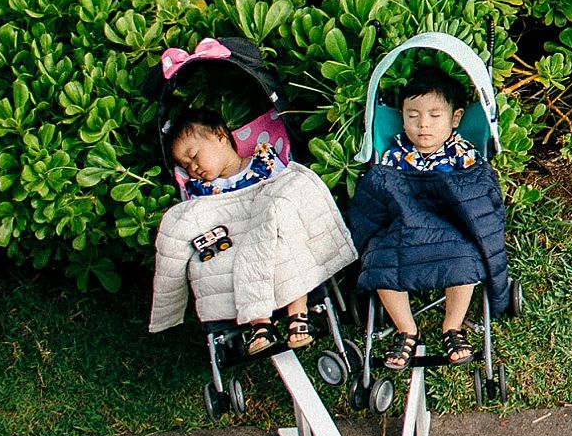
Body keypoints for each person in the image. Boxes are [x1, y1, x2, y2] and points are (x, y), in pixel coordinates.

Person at [147, 110, 356, 357]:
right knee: (239, 259)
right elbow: (198, 220)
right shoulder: (202, 191)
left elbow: (285, 192)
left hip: (267, 224)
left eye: (194, 156)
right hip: (234, 235)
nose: (193, 168)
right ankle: (260, 324)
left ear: (220, 136)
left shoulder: (264, 161)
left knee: (286, 241)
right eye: (185, 165)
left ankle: (298, 312)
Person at [347, 64, 511, 372]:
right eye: (413, 115)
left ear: (455, 118)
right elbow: (377, 199)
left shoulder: (464, 155)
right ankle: (406, 329)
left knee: (467, 258)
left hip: (451, 230)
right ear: (402, 116)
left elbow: (479, 202)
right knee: (378, 261)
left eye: (435, 116)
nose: (423, 125)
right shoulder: (393, 155)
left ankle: (452, 326)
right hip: (404, 230)